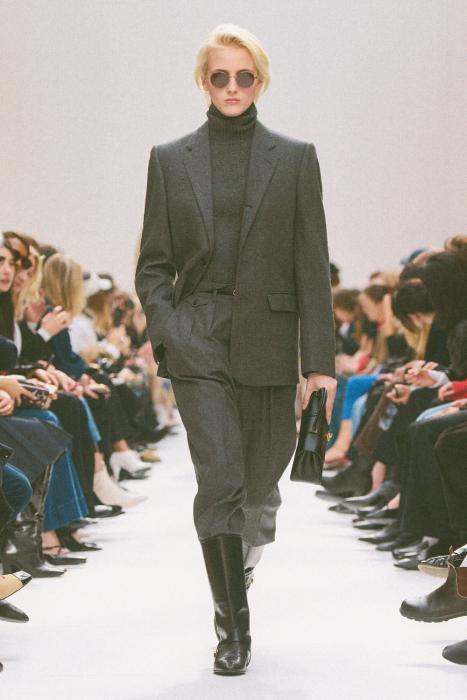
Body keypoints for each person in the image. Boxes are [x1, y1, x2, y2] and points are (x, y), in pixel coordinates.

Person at [135, 23, 336, 675]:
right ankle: (232, 629)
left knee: (258, 483)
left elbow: (312, 265)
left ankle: (237, 570)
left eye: (243, 76)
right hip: (198, 335)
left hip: (269, 337)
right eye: (219, 76)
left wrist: (320, 364)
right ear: (203, 80)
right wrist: (171, 328)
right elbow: (153, 263)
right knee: (219, 480)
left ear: (260, 81)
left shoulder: (295, 158)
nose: (231, 86)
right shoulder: (170, 159)